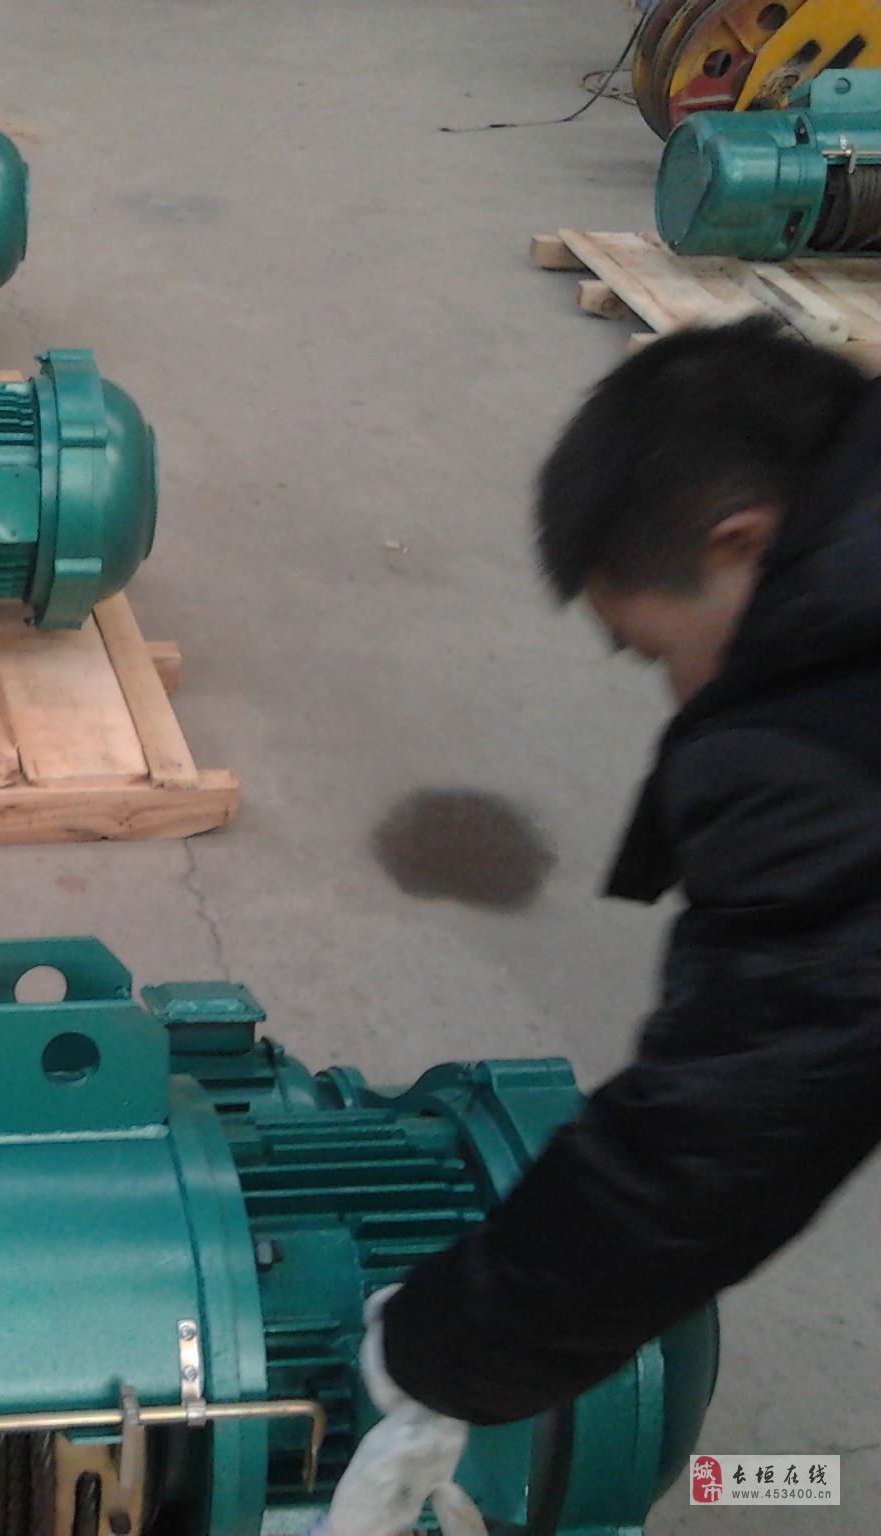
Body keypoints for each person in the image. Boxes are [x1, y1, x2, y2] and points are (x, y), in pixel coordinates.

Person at [318, 317, 881, 1534]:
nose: (676, 693)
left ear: (743, 540)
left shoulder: (822, 756)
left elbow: (720, 1133)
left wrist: (442, 1347)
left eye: (654, 651)